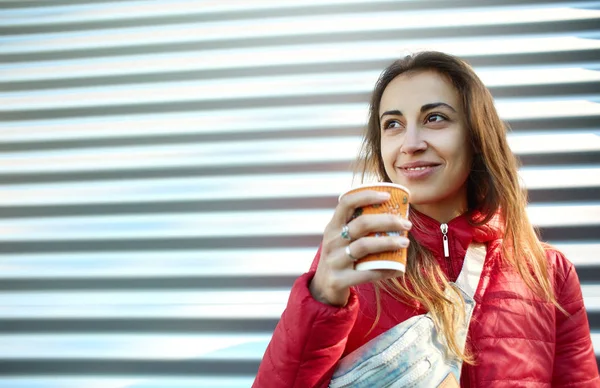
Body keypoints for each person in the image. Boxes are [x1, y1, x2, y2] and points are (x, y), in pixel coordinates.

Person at [252, 51, 599, 387]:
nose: (411, 143)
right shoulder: (354, 261)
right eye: (393, 124)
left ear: (476, 136)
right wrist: (321, 299)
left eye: (435, 118)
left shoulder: (549, 273)